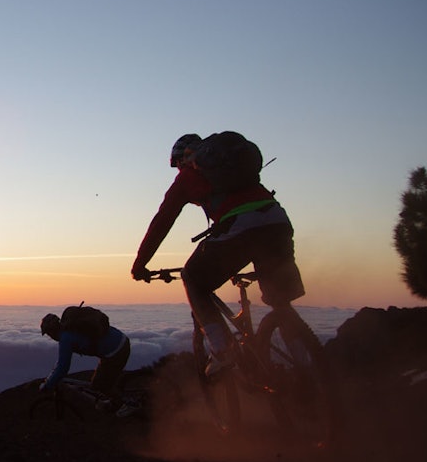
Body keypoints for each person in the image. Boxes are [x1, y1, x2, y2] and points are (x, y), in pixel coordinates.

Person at [130, 133, 305, 379]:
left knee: (193, 278)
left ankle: (223, 350)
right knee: (280, 303)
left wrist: (140, 265)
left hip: (240, 226)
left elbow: (162, 221)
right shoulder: (238, 172)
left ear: (182, 159)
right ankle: (308, 364)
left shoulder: (188, 176)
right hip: (277, 221)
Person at [38, 310, 135, 416]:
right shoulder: (69, 328)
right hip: (119, 340)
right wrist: (54, 374)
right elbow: (62, 361)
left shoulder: (66, 338)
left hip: (116, 351)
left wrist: (48, 385)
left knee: (100, 385)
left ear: (52, 331)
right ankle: (114, 400)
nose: (50, 337)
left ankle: (130, 404)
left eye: (48, 334)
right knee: (99, 381)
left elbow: (63, 367)